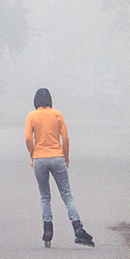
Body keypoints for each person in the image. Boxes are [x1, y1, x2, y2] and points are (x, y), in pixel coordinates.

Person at [25, 88, 95, 248]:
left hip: (39, 159)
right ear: (50, 100)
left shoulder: (32, 116)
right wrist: (66, 156)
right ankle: (77, 227)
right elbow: (66, 138)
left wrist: (33, 154)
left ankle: (47, 231)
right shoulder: (57, 114)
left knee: (45, 196)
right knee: (67, 194)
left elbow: (28, 137)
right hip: (57, 157)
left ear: (36, 101)